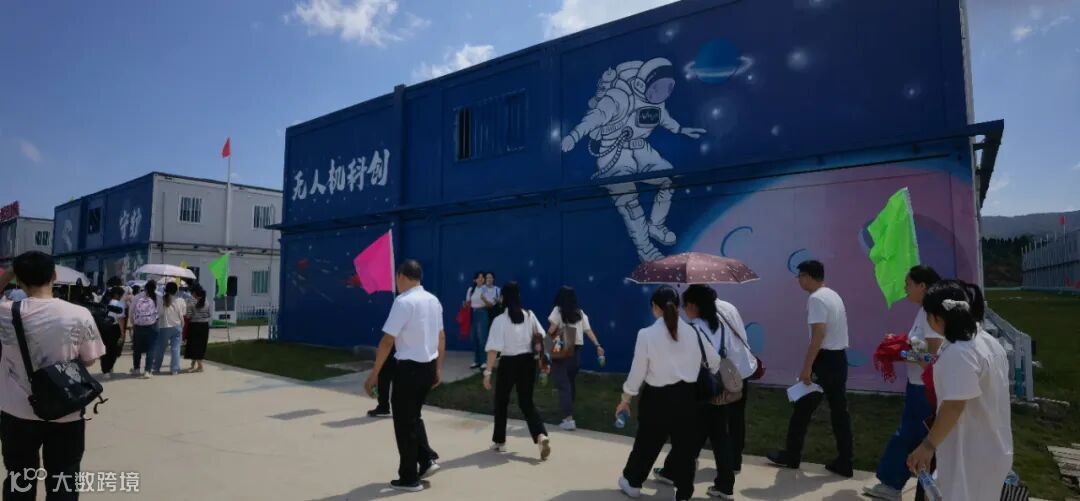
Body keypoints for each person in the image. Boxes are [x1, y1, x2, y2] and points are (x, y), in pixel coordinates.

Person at [0, 252, 106, 501]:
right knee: (64, 479)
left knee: (19, 478)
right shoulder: (79, 314)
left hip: (16, 413)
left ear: (19, 281)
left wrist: (10, 272)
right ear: (54, 276)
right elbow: (90, 359)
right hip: (66, 410)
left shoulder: (5, 313)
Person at [907, 281, 1012, 500]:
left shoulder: (959, 353)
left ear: (937, 318)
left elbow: (954, 406)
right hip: (991, 446)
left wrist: (928, 445)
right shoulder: (988, 342)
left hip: (969, 453)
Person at [616, 286, 721, 501]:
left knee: (646, 443)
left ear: (655, 307)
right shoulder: (694, 332)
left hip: (656, 398)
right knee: (685, 448)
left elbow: (637, 373)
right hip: (688, 397)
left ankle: (633, 483)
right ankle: (683, 494)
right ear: (678, 307)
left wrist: (625, 399)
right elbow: (714, 361)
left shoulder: (646, 335)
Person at [653, 285, 756, 499]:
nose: (683, 310)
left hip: (700, 390)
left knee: (689, 439)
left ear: (693, 306)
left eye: (685, 305)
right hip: (720, 387)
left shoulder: (693, 329)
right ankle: (724, 486)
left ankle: (680, 483)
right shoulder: (719, 325)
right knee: (720, 437)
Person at [364, 259, 445, 493]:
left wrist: (374, 374)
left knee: (404, 423)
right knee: (413, 416)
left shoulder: (403, 302)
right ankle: (426, 459)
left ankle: (409, 478)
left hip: (408, 370)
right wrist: (438, 368)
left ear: (401, 276)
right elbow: (441, 337)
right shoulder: (433, 300)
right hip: (428, 367)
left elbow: (387, 340)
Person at [768, 260, 854, 477]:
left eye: (800, 276)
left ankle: (791, 455)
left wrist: (807, 367)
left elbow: (818, 335)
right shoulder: (833, 295)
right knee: (839, 412)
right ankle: (845, 461)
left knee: (802, 409)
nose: (799, 281)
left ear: (807, 276)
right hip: (839, 359)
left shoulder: (816, 299)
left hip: (824, 360)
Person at [864, 265, 944, 500]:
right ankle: (894, 483)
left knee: (910, 435)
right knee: (909, 434)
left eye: (908, 284)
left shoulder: (932, 314)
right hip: (916, 384)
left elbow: (932, 358)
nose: (905, 289)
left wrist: (903, 353)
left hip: (925, 388)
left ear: (922, 286)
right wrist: (900, 344)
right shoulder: (924, 312)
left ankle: (895, 484)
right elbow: (919, 347)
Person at [482, 281, 552, 460]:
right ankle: (540, 435)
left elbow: (493, 349)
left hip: (508, 363)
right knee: (526, 402)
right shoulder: (529, 315)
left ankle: (500, 441)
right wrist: (545, 361)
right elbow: (543, 338)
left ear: (504, 298)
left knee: (501, 402)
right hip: (528, 363)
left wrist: (487, 372)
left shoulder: (500, 320)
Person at [547, 286, 605, 431]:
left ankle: (569, 418)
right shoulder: (580, 313)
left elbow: (552, 329)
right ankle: (569, 414)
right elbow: (588, 330)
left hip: (562, 343)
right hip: (576, 349)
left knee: (563, 384)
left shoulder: (558, 310)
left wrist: (545, 345)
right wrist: (597, 345)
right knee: (570, 382)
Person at [151, 282, 186, 375]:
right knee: (175, 349)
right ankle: (174, 369)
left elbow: (159, 313)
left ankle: (156, 367)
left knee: (160, 348)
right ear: (176, 290)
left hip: (164, 326)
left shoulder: (162, 300)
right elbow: (183, 313)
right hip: (177, 326)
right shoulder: (180, 300)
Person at [130, 280, 160, 379]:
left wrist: (133, 323)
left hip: (138, 325)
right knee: (151, 348)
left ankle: (136, 369)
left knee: (137, 348)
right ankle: (147, 371)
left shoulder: (138, 296)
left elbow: (131, 311)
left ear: (145, 287)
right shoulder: (158, 297)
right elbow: (160, 312)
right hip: (153, 325)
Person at [99, 286, 127, 379]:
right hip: (114, 328)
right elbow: (120, 319)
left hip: (103, 328)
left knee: (105, 349)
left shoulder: (104, 302)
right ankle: (109, 367)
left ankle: (105, 370)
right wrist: (122, 332)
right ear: (117, 295)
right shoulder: (119, 304)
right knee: (113, 350)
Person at [184, 287, 211, 373]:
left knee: (194, 345)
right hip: (205, 326)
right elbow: (209, 314)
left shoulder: (191, 302)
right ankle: (193, 364)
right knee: (201, 345)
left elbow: (188, 315)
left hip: (195, 325)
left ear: (195, 294)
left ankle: (200, 366)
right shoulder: (206, 301)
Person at [466, 272, 488, 370]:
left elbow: (489, 303)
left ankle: (484, 361)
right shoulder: (471, 289)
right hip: (473, 313)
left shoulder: (486, 289)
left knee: (482, 338)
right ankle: (477, 360)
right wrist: (465, 304)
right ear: (474, 280)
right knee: (473, 337)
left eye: (482, 277)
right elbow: (468, 303)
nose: (480, 279)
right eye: (478, 277)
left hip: (482, 313)